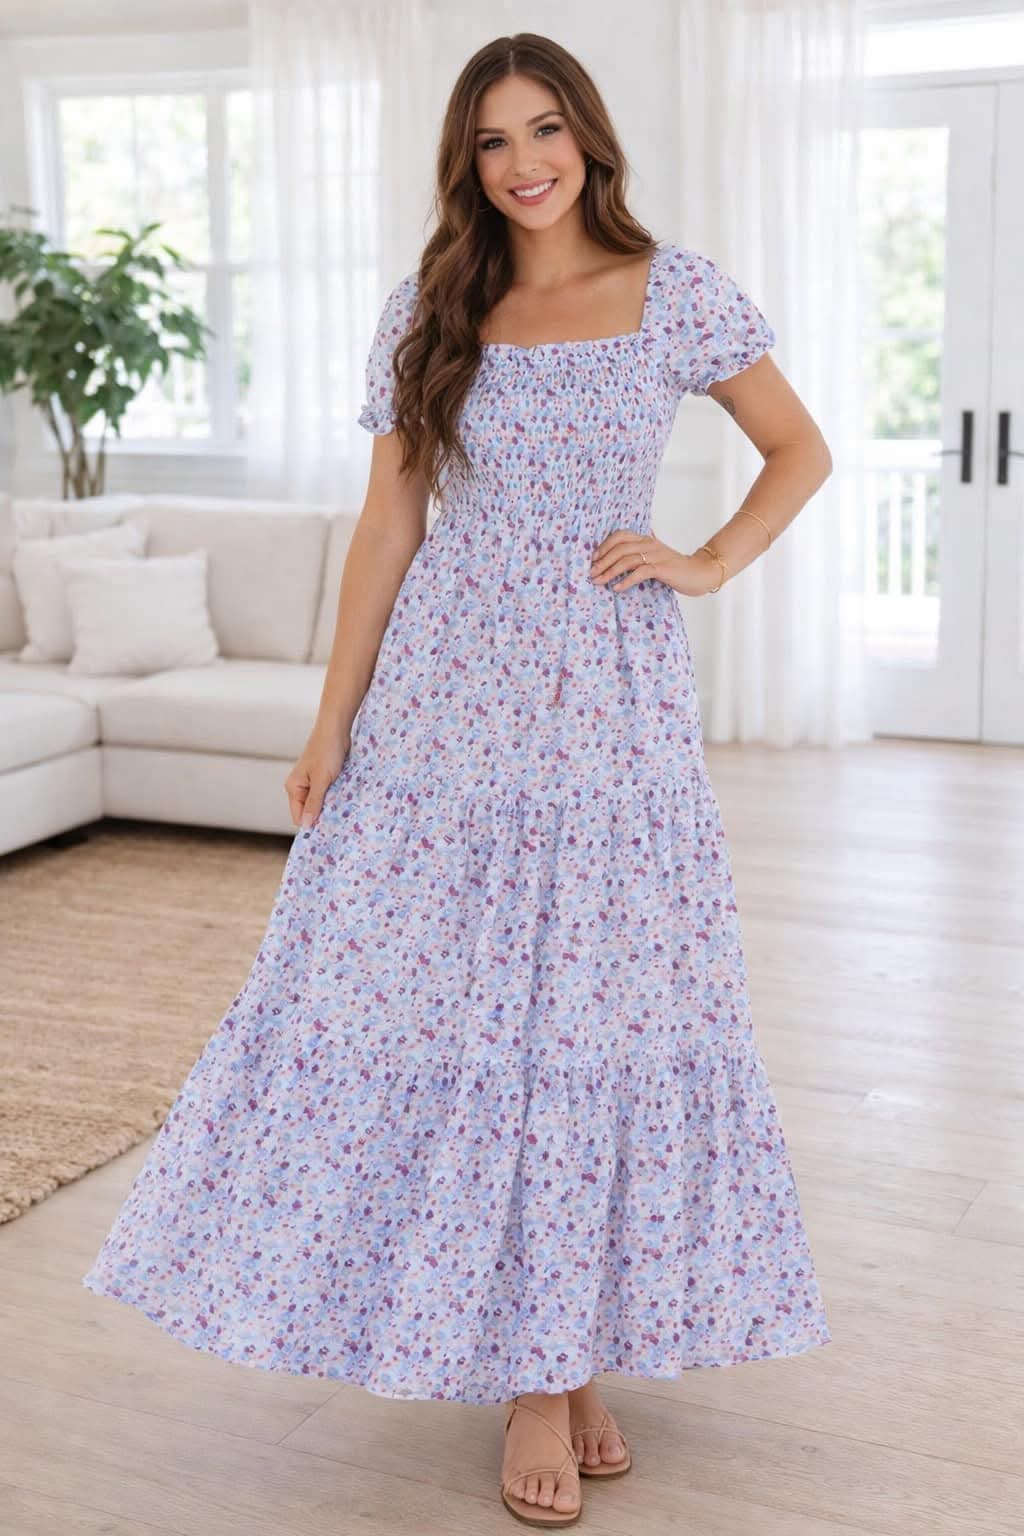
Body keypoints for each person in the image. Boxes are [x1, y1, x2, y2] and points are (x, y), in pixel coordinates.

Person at [82, 31, 835, 1530]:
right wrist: (331, 725)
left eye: (544, 130)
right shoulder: (432, 308)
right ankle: (544, 1373)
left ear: (589, 138)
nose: (523, 163)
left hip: (606, 707)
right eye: (493, 141)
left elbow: (798, 451)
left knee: (593, 1019)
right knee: (451, 1016)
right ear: (466, 163)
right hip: (445, 703)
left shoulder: (675, 291)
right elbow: (388, 527)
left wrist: (703, 561)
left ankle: (561, 1357)